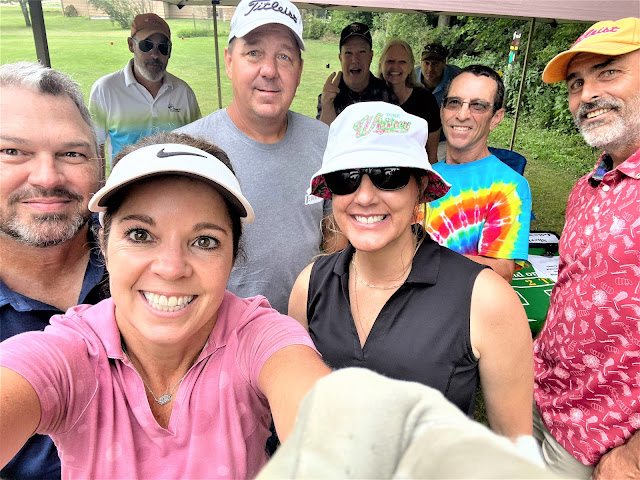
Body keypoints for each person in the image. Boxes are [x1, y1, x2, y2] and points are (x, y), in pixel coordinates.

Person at [0, 131, 331, 479]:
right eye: (140, 235)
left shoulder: (257, 335)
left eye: (204, 241)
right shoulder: (70, 353)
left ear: (233, 256)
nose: (171, 268)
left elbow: (321, 415)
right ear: (104, 245)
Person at [289, 102, 534, 439]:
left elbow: (515, 445)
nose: (364, 197)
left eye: (389, 176)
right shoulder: (310, 285)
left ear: (420, 188)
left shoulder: (485, 299)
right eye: (346, 178)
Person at [178, 0, 339, 315]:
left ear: (299, 70)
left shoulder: (325, 142)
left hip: (304, 328)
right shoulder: (188, 150)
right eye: (254, 53)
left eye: (284, 56)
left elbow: (335, 233)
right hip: (215, 333)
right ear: (229, 62)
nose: (270, 71)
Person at [533, 17, 640, 479]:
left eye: (608, 72)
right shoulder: (588, 185)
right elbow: (572, 286)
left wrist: (634, 455)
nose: (587, 94)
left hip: (603, 433)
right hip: (544, 393)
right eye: (576, 83)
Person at [0, 61, 109, 480]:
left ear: (99, 163)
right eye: (13, 152)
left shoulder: (150, 257)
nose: (47, 177)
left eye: (71, 154)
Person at [417, 65, 532, 283]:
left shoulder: (509, 186)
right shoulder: (424, 177)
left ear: (496, 117)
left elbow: (502, 270)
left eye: (478, 106)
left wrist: (424, 259)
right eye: (454, 102)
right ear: (442, 110)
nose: (462, 115)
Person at [89, 13, 201, 171]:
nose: (155, 54)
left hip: (173, 182)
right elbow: (96, 146)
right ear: (131, 45)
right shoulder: (105, 89)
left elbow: (195, 144)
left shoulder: (183, 92)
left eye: (163, 47)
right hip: (126, 182)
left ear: (170, 52)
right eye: (146, 45)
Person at [317, 22, 396, 126]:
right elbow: (324, 135)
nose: (354, 60)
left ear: (371, 56)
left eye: (362, 52)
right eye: (348, 53)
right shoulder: (330, 96)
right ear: (340, 58)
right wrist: (327, 105)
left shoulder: (386, 95)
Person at [377, 38, 441, 164]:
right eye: (390, 61)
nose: (395, 66)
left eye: (402, 62)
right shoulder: (370, 97)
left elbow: (432, 155)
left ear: (411, 67)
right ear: (381, 64)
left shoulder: (426, 100)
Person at [414, 43, 462, 159]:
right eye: (426, 63)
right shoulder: (411, 77)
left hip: (446, 139)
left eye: (435, 64)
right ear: (420, 62)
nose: (430, 69)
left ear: (444, 63)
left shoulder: (457, 77)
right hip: (416, 139)